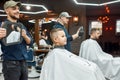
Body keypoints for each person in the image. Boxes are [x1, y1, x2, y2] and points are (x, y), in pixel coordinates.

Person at [39, 28, 105, 80]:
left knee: (93, 67)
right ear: (56, 39)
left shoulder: (60, 52)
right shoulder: (55, 54)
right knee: (91, 71)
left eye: (65, 36)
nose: (65, 38)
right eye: (62, 36)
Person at [0, 0, 33, 80]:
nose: (17, 11)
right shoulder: (2, 26)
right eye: (14, 8)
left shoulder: (21, 25)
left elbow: (30, 42)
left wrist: (25, 36)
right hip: (10, 64)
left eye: (18, 9)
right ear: (7, 11)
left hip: (24, 62)